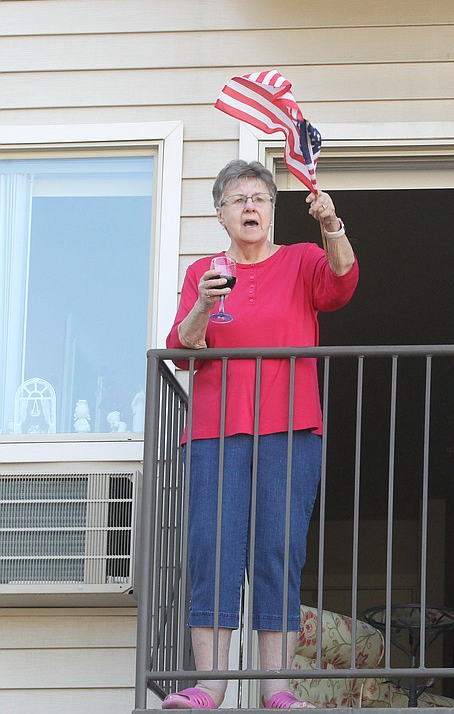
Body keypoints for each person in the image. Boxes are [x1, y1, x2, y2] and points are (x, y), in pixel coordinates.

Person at [163, 160, 358, 710]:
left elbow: (343, 284)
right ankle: (210, 686)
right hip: (214, 433)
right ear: (220, 213)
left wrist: (332, 224)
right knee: (212, 549)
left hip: (291, 429)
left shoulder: (301, 259)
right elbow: (182, 350)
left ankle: (277, 688)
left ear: (272, 210)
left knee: (278, 549)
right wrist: (202, 301)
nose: (250, 206)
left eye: (260, 198)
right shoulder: (203, 271)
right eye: (238, 199)